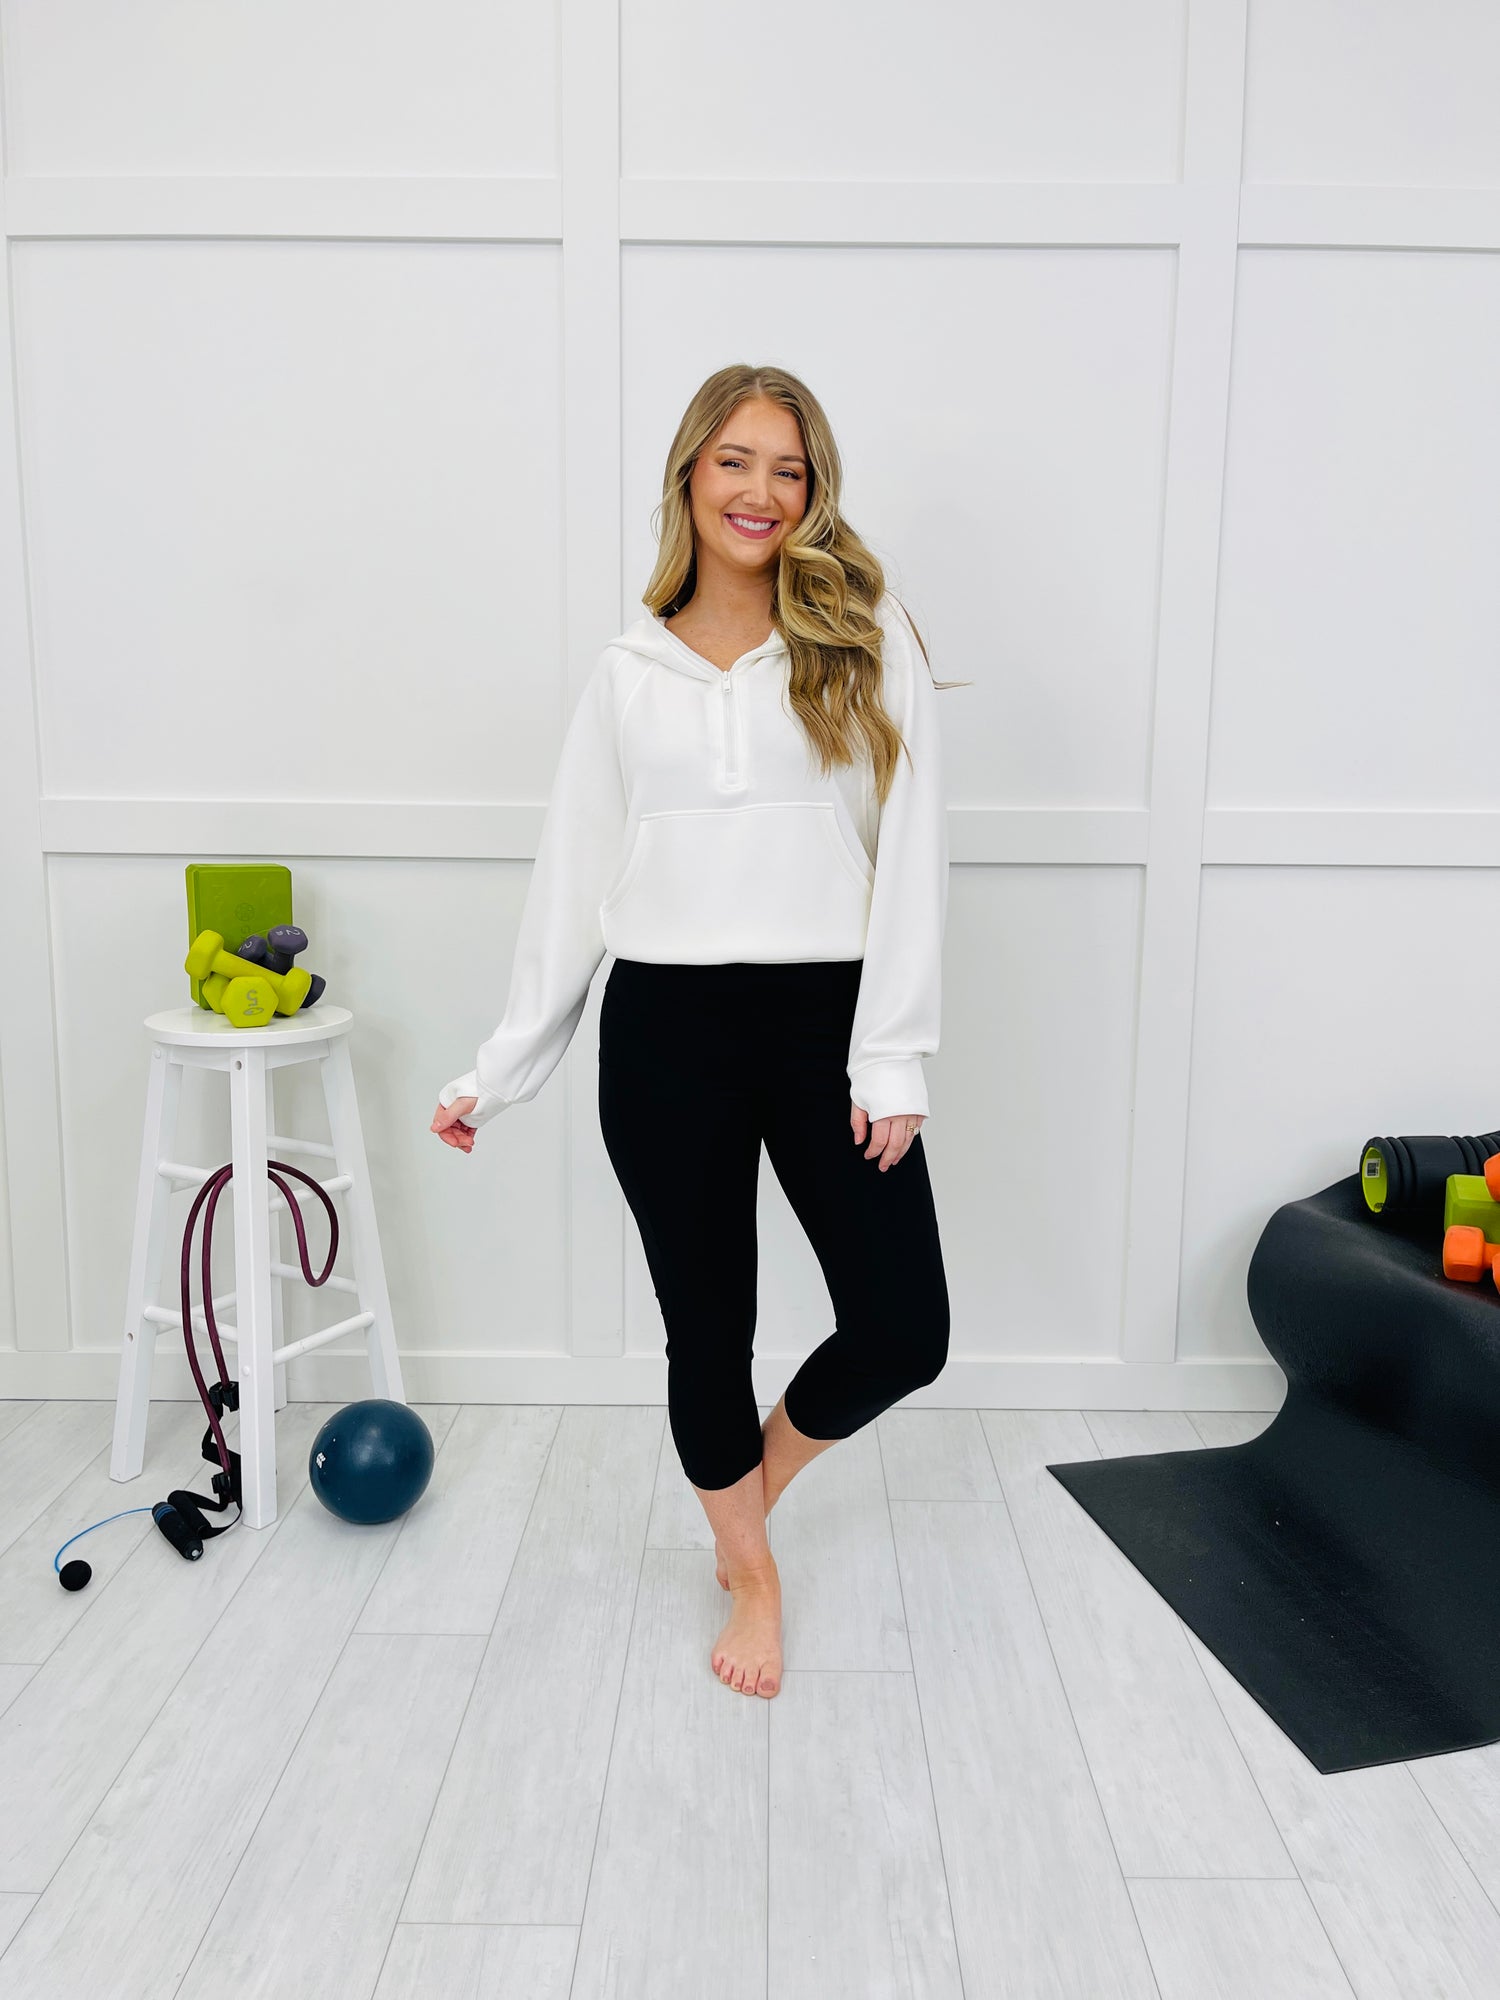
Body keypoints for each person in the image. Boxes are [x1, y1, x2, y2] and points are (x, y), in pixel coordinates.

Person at [432, 363, 961, 1700]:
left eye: (789, 468)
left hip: (827, 1020)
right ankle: (753, 1574)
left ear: (813, 489)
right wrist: (500, 1070)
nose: (761, 491)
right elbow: (574, 882)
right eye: (736, 461)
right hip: (667, 1026)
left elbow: (913, 851)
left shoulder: (865, 637)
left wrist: (891, 1051)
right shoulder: (628, 674)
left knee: (903, 1326)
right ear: (689, 476)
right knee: (706, 1331)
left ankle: (743, 1509)